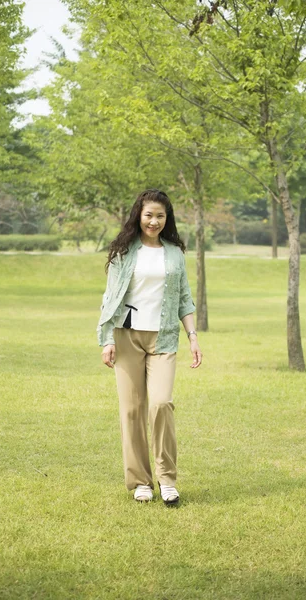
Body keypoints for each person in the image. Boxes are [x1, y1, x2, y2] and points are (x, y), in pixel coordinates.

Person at [97, 189, 202, 505]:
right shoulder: (123, 252)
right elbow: (110, 298)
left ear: (166, 218)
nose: (154, 221)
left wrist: (193, 337)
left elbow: (184, 297)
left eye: (160, 215)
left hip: (164, 338)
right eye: (148, 215)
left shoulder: (174, 254)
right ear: (138, 216)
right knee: (131, 410)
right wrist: (106, 340)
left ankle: (167, 479)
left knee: (160, 403)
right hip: (127, 336)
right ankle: (141, 481)